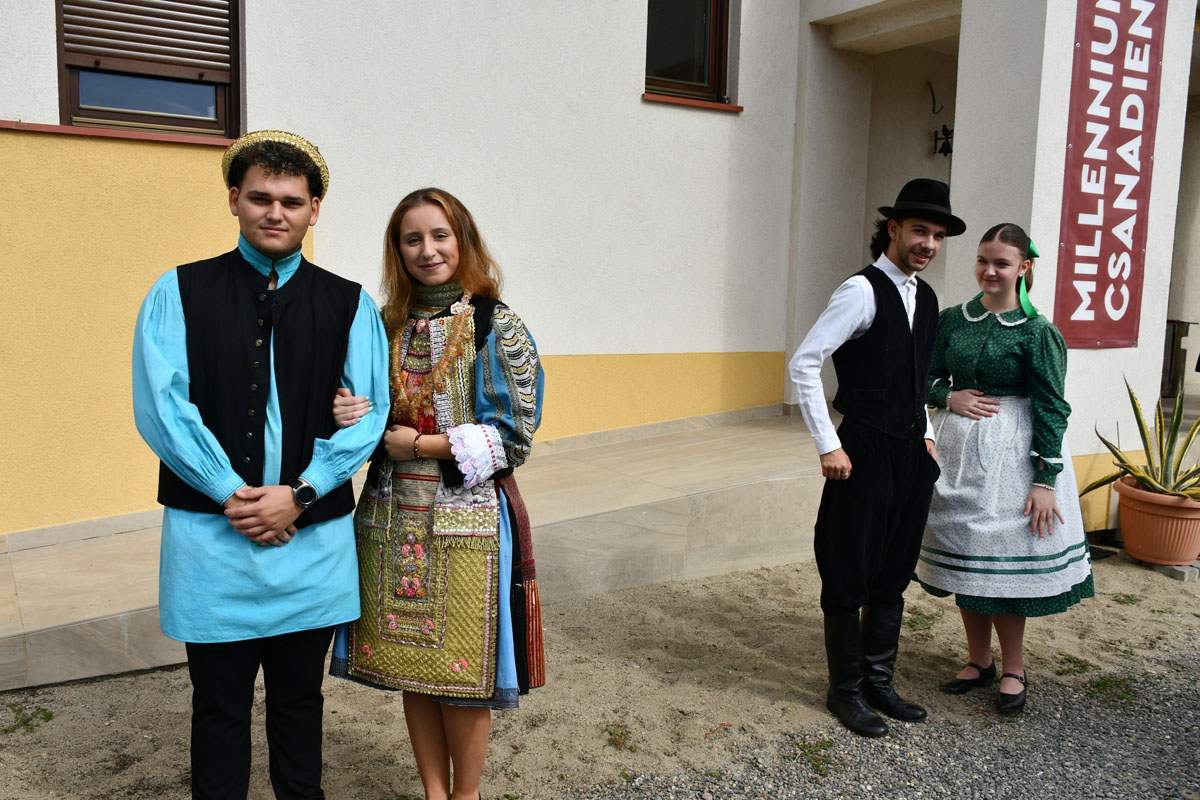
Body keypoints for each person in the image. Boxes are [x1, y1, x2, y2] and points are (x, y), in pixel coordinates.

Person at [132, 130, 390, 799]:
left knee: (300, 705)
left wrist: (300, 493)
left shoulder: (350, 303)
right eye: (260, 198)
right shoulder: (178, 291)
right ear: (234, 200)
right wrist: (230, 492)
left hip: (312, 543)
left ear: (314, 210)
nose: (276, 213)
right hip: (211, 542)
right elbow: (163, 406)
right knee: (218, 708)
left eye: (292, 201)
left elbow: (369, 418)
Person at [329, 187, 545, 800]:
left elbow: (516, 434)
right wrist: (346, 411)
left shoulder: (495, 324)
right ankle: (433, 794)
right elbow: (360, 408)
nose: (428, 250)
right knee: (413, 667)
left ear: (462, 241)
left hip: (467, 521)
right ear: (397, 250)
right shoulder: (382, 325)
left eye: (440, 235)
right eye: (412, 239)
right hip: (389, 515)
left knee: (463, 673)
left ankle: (465, 797)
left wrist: (421, 445)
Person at [788, 178, 966, 737]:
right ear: (893, 228)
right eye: (919, 231)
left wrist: (928, 434)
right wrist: (828, 443)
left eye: (937, 236)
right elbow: (804, 363)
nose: (928, 243)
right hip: (863, 450)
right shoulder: (860, 291)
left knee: (893, 572)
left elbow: (915, 379)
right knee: (848, 568)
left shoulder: (927, 298)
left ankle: (878, 683)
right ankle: (844, 691)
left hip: (911, 455)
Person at [917, 222, 1093, 713]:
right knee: (968, 553)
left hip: (1013, 457)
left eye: (1001, 263)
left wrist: (1045, 480)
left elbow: (1052, 407)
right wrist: (947, 396)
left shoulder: (1039, 332)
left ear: (1023, 268)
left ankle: (1014, 667)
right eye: (983, 260)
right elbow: (923, 376)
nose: (989, 271)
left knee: (1001, 565)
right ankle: (979, 661)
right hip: (956, 453)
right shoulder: (952, 320)